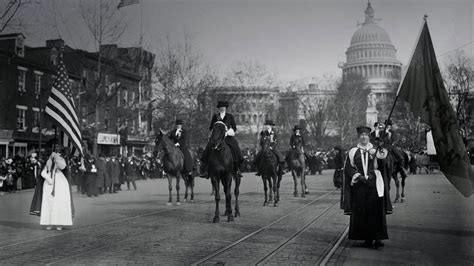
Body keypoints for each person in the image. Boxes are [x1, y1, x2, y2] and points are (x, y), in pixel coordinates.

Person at [342, 126, 388, 248]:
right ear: (358, 137)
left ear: (369, 137)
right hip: (360, 185)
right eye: (361, 135)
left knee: (376, 211)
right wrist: (357, 176)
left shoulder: (375, 150)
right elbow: (348, 168)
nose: (364, 137)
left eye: (366, 135)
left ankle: (378, 238)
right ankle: (367, 238)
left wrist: (381, 153)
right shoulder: (353, 151)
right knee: (362, 211)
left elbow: (383, 164)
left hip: (374, 184)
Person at [199, 100, 244, 178]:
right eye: (221, 107)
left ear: (226, 108)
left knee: (235, 147)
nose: (222, 109)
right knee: (208, 149)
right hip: (217, 138)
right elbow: (211, 127)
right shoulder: (215, 116)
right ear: (219, 108)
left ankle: (237, 169)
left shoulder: (230, 116)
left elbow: (234, 127)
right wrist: (214, 134)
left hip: (228, 137)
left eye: (223, 107)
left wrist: (227, 132)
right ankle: (205, 170)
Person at [40, 148, 73, 230]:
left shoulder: (62, 160)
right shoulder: (49, 160)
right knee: (49, 202)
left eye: (59, 153)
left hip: (59, 182)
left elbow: (62, 166)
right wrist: (49, 179)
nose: (56, 154)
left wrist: (57, 159)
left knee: (59, 202)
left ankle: (59, 222)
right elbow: (44, 171)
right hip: (49, 183)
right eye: (56, 152)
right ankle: (49, 222)